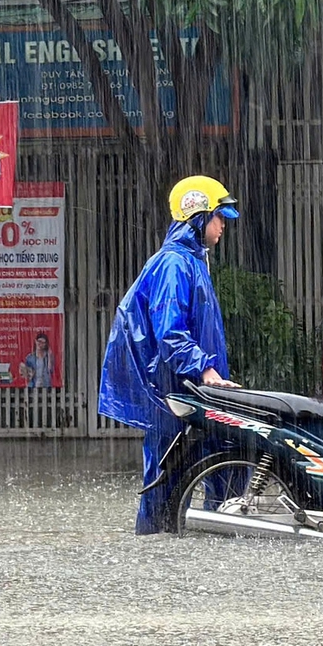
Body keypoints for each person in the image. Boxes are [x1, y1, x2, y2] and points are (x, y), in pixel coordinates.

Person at [99, 176, 242, 533]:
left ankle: (209, 539)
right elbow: (170, 332)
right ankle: (159, 549)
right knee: (169, 479)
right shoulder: (174, 265)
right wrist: (204, 370)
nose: (223, 225)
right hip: (177, 391)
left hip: (189, 388)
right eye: (219, 217)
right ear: (199, 217)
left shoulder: (192, 262)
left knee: (214, 465)